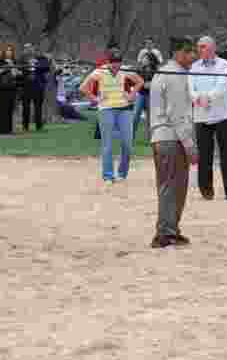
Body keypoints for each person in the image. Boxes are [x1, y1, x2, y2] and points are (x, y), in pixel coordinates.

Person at [149, 37, 199, 248]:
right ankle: (164, 233)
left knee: (174, 187)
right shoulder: (175, 76)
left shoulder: (167, 73)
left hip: (165, 138)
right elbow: (177, 115)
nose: (193, 56)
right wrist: (189, 145)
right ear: (178, 53)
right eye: (189, 52)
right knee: (171, 187)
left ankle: (170, 230)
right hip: (171, 138)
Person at [190, 36, 227, 201]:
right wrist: (197, 98)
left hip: (222, 114)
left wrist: (207, 98)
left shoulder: (225, 64)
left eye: (203, 47)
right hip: (201, 116)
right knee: (204, 154)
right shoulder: (194, 66)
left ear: (212, 48)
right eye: (198, 47)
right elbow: (190, 87)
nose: (199, 50)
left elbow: (222, 86)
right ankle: (206, 190)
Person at [79, 49, 144, 184]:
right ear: (108, 62)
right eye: (113, 62)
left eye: (118, 62)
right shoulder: (99, 71)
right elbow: (83, 87)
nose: (116, 65)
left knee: (127, 144)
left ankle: (122, 173)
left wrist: (131, 95)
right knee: (107, 144)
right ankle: (108, 175)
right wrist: (95, 99)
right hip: (106, 109)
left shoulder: (125, 70)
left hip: (124, 109)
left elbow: (140, 82)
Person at [20, 43, 50, 132]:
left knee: (38, 107)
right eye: (26, 48)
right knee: (26, 107)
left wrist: (35, 64)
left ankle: (39, 126)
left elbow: (46, 67)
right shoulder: (22, 59)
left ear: (33, 49)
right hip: (26, 85)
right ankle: (25, 126)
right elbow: (19, 68)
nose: (28, 50)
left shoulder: (41, 58)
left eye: (30, 48)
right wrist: (28, 65)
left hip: (38, 85)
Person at [131, 48, 160, 141]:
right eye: (143, 58)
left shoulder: (156, 70)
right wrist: (143, 83)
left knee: (150, 118)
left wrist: (152, 84)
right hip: (141, 94)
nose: (143, 60)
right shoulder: (139, 69)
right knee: (135, 115)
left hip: (151, 96)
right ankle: (130, 136)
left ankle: (151, 138)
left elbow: (159, 82)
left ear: (150, 60)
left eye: (145, 58)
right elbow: (135, 80)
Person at [0, 45, 22, 135]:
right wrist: (7, 67)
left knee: (10, 108)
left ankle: (8, 129)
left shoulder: (15, 61)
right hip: (1, 88)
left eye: (11, 50)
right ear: (4, 52)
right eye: (7, 50)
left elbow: (17, 74)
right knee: (1, 108)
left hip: (11, 87)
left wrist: (16, 71)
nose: (9, 52)